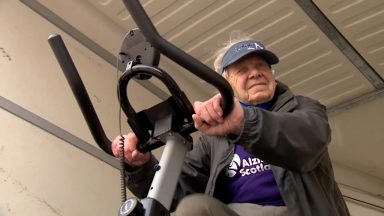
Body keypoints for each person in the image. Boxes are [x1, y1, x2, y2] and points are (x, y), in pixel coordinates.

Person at [112, 36, 350, 216]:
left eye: (261, 66)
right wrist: (141, 165)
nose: (255, 73)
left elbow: (307, 142)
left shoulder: (303, 109)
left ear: (272, 74)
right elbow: (175, 192)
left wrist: (243, 122)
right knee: (194, 208)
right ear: (229, 83)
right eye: (243, 70)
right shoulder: (214, 140)